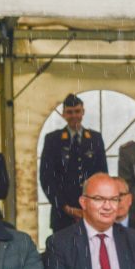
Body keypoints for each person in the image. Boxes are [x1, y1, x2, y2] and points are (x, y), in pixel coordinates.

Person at [39, 94, 108, 233]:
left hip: (91, 211)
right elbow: (46, 178)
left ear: (83, 112)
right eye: (69, 112)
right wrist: (65, 207)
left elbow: (103, 175)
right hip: (62, 214)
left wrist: (93, 205)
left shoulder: (95, 138)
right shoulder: (53, 139)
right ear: (64, 114)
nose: (74, 116)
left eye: (77, 111)